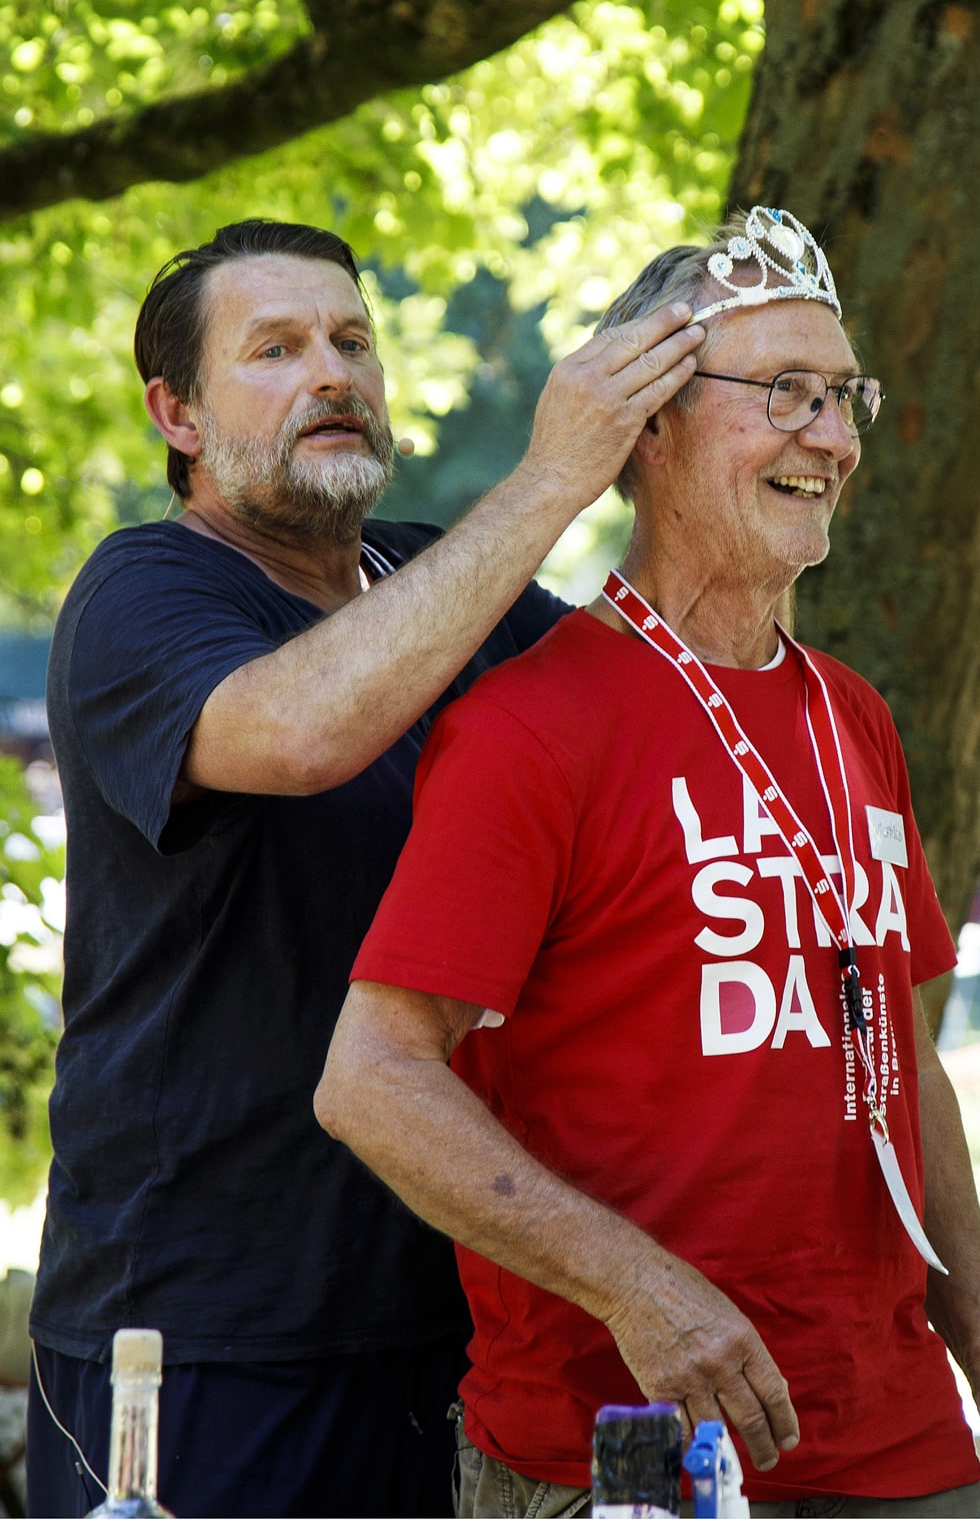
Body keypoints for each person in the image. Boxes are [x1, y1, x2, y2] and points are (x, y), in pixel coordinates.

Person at [317, 208, 980, 1519]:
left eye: (844, 397)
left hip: (897, 1454)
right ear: (654, 424)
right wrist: (638, 1284)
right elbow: (373, 1082)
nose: (836, 439)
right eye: (785, 393)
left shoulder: (854, 717)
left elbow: (903, 1059)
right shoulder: (525, 727)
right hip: (621, 1459)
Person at [26, 217, 704, 1520]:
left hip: (454, 1304)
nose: (331, 373)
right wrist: (549, 479)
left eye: (351, 341)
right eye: (275, 348)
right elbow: (303, 730)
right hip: (200, 1329)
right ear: (177, 413)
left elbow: (661, 727)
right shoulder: (141, 590)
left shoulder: (447, 581)